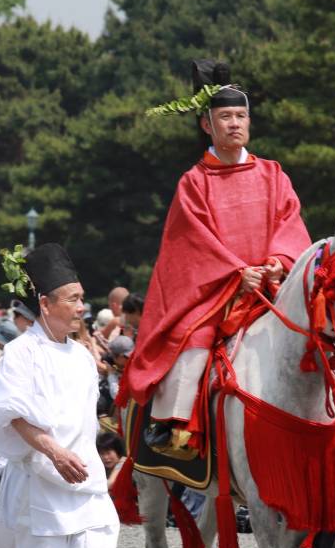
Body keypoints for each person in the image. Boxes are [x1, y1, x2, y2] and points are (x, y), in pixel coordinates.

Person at [123, 59, 312, 443]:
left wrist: (278, 263)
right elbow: (192, 245)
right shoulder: (194, 182)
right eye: (225, 117)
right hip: (217, 295)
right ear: (207, 125)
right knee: (191, 343)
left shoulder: (273, 174)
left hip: (271, 288)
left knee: (323, 337)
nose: (235, 124)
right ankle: (172, 427)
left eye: (241, 116)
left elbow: (289, 224)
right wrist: (236, 274)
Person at [0, 243, 118, 548]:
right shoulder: (21, 353)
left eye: (81, 298)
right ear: (45, 303)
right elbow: (6, 413)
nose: (81, 307)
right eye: (72, 299)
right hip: (40, 492)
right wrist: (53, 451)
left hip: (88, 489)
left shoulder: (82, 358)